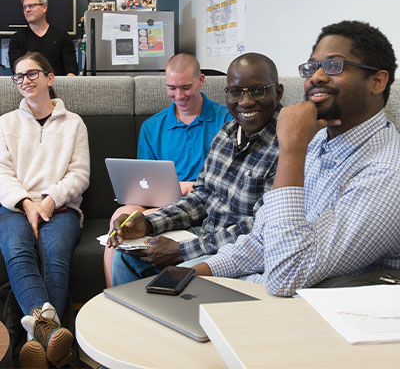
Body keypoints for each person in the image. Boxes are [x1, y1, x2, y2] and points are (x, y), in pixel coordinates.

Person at [194, 20, 400, 296]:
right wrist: (194, 271)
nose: (317, 77)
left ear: (377, 81)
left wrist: (291, 149)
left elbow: (287, 276)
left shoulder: (386, 172)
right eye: (312, 67)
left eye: (334, 66)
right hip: (258, 288)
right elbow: (261, 240)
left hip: (303, 314)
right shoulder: (319, 141)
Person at [108, 52, 284, 286]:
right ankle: (128, 320)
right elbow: (202, 196)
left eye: (257, 90)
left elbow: (260, 227)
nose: (245, 101)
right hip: (205, 236)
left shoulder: (287, 143)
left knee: (174, 275)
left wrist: (183, 250)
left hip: (234, 255)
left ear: (278, 92)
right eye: (235, 92)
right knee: (125, 257)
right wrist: (150, 223)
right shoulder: (228, 132)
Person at [103, 53, 232, 286]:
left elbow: (228, 177)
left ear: (201, 81)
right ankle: (113, 296)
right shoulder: (153, 126)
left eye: (185, 87)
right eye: (172, 88)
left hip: (205, 199)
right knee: (120, 221)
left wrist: (190, 187)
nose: (179, 96)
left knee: (144, 220)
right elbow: (144, 182)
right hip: (163, 199)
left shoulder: (225, 119)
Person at [0, 52, 90, 367]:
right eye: (18, 76)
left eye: (32, 73)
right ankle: (52, 335)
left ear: (50, 78)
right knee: (16, 248)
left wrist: (49, 201)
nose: (24, 80)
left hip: (60, 207)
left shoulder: (74, 123)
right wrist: (27, 204)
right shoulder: (5, 123)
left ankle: (33, 340)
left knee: (55, 256)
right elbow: (1, 173)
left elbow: (79, 175)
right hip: (15, 206)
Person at [8, 0, 78, 76]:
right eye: (24, 7)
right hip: (30, 85)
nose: (27, 10)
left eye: (31, 6)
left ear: (44, 8)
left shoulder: (62, 36)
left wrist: (69, 82)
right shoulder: (17, 38)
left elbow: (71, 67)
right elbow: (16, 68)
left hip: (58, 86)